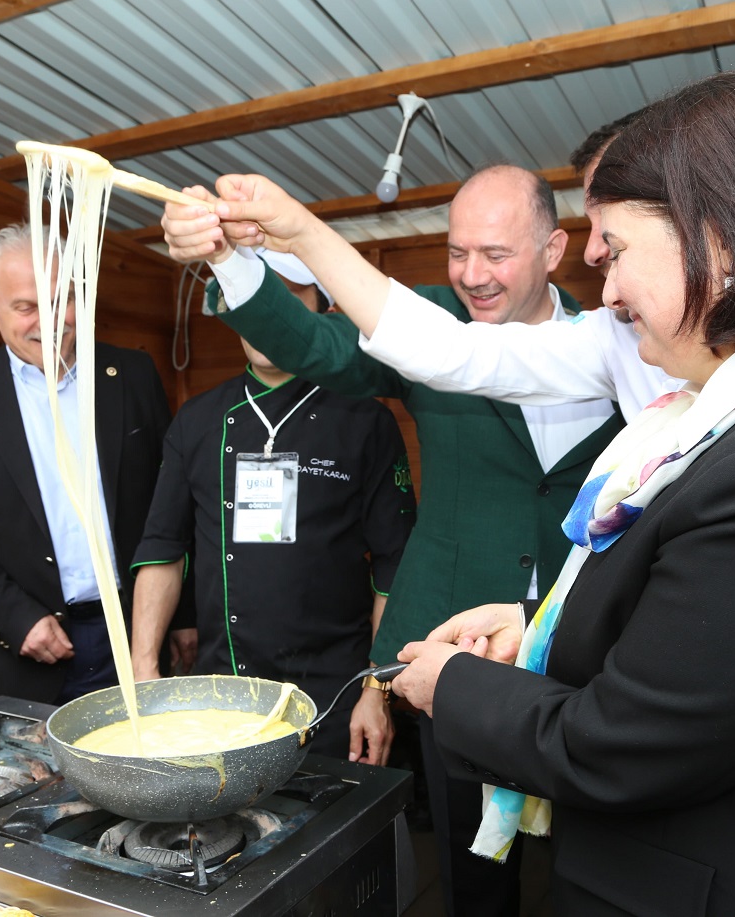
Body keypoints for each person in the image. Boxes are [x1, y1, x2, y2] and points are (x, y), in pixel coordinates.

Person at [168, 71, 735, 914]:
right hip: (515, 653)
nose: (608, 287)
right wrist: (270, 245)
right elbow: (417, 351)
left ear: (718, 244)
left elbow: (639, 734)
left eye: (615, 249)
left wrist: (483, 673)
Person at [163, 164, 624, 917]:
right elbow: (313, 344)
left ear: (555, 248)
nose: (472, 275)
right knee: (473, 867)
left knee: (594, 856)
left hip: (579, 643)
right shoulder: (426, 321)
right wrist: (228, 261)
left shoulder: (624, 341)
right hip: (459, 650)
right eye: (457, 251)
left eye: (496, 254)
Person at [129, 254, 417, 766]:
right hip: (221, 696)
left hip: (336, 699)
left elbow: (396, 567)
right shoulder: (196, 421)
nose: (267, 315)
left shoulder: (364, 420)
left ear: (323, 311)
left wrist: (377, 689)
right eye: (253, 298)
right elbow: (163, 549)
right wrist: (143, 670)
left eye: (289, 298)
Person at [0, 223, 172, 705]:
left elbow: (170, 503)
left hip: (139, 639)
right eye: (26, 307)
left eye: (63, 301)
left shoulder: (133, 376)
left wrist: (181, 619)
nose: (50, 321)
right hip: (30, 651)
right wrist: (15, 617)